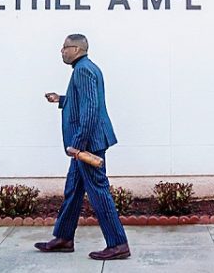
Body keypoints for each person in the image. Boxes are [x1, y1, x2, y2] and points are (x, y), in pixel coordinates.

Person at [35, 34, 131, 260]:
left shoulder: (83, 70)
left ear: (77, 49)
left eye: (65, 47)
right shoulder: (86, 68)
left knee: (98, 192)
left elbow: (90, 110)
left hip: (88, 144)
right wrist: (61, 99)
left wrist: (77, 145)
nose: (61, 51)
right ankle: (64, 238)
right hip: (86, 141)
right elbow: (83, 101)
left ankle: (118, 244)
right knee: (73, 190)